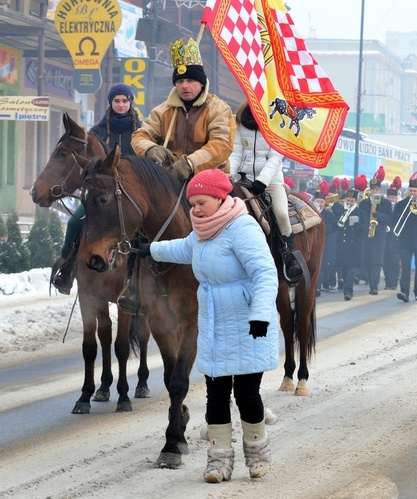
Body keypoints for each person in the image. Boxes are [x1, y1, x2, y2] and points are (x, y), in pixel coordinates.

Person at [137, 169, 278, 482]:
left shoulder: (243, 228)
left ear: (220, 198)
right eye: (192, 204)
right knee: (215, 396)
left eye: (202, 202)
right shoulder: (201, 231)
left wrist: (260, 316)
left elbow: (265, 275)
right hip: (213, 324)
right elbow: (183, 249)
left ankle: (256, 455)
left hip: (246, 323)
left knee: (246, 395)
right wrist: (150, 249)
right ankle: (218, 461)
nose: (196, 209)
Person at [50, 83, 142, 294]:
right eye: (116, 101)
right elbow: (89, 163)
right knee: (75, 222)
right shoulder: (97, 132)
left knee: (148, 230)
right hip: (103, 193)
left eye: (125, 101)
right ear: (111, 103)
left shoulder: (142, 131)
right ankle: (67, 268)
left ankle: (151, 280)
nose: (121, 105)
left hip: (133, 193)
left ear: (130, 103)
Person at [131, 37, 236, 180]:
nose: (184, 86)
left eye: (190, 80)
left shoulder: (219, 108)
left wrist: (190, 164)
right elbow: (139, 136)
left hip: (211, 178)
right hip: (171, 179)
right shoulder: (162, 110)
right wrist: (150, 148)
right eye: (180, 81)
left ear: (202, 83)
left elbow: (221, 144)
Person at [229, 102, 303, 284]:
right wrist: (228, 176)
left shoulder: (277, 123)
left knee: (282, 215)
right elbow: (236, 153)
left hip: (271, 182)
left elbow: (276, 157)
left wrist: (262, 181)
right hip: (242, 179)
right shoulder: (240, 122)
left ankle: (288, 257)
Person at [393, 166, 417, 302]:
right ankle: (404, 292)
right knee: (405, 267)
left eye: (415, 191)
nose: (412, 193)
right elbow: (395, 220)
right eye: (410, 191)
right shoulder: (402, 204)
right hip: (405, 241)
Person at [358, 166, 390, 295]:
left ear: (380, 190)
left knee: (377, 261)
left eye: (377, 189)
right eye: (373, 189)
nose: (375, 191)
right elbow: (361, 219)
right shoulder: (364, 203)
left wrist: (379, 216)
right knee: (367, 260)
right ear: (370, 190)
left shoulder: (386, 203)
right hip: (367, 234)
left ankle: (374, 287)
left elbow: (390, 219)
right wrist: (366, 226)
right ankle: (368, 280)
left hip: (380, 235)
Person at [335, 187, 365, 300]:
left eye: (352, 201)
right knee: (342, 268)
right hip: (342, 245)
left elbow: (365, 228)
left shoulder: (360, 213)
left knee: (351, 270)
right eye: (348, 200)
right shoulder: (340, 211)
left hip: (354, 246)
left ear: (356, 201)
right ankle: (346, 289)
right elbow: (335, 225)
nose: (349, 203)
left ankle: (348, 291)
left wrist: (358, 225)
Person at [382, 178, 401, 290]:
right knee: (385, 260)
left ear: (396, 198)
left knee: (394, 261)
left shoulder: (399, 207)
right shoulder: (384, 207)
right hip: (385, 237)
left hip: (396, 237)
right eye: (389, 197)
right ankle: (387, 282)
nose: (390, 199)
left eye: (392, 197)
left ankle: (393, 283)